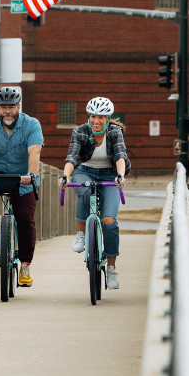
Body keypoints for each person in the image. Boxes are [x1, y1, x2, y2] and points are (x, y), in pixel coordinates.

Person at [0, 86, 43, 287]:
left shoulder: (32, 124)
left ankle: (25, 265)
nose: (7, 111)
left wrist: (30, 176)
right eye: (3, 107)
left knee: (25, 218)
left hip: (23, 176)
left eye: (11, 107)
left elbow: (35, 152)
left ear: (18, 106)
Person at [61, 96, 129, 289]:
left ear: (108, 118)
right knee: (85, 188)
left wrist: (120, 175)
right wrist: (66, 177)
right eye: (93, 116)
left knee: (109, 221)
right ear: (89, 117)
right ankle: (81, 234)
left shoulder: (115, 132)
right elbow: (72, 157)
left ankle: (112, 269)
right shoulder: (80, 131)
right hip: (86, 171)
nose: (96, 121)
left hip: (110, 175)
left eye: (101, 117)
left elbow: (120, 155)